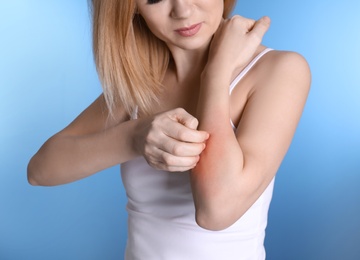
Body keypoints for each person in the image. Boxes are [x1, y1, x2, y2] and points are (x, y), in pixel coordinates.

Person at [28, 0, 311, 259]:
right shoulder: (140, 87)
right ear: (132, 8)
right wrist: (134, 138)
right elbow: (40, 170)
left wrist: (215, 73)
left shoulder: (279, 70)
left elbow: (217, 211)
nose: (182, 11)